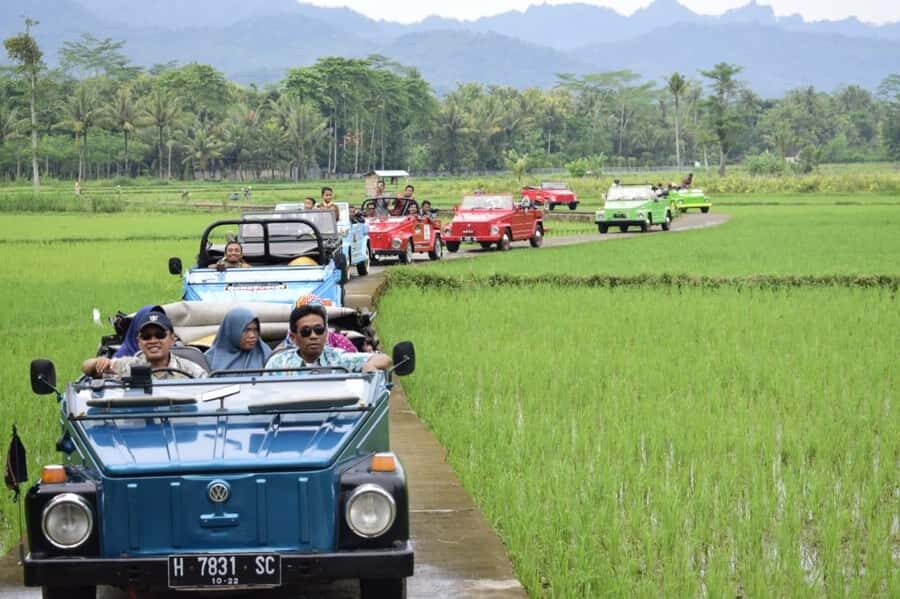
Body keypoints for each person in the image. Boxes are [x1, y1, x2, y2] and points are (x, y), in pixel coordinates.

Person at [82, 311, 207, 380]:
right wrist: (98, 362)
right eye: (146, 337)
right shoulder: (127, 366)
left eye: (160, 335)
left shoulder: (190, 370)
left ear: (172, 339)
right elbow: (86, 369)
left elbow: (209, 396)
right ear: (139, 342)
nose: (153, 340)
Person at [266, 304, 390, 372]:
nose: (313, 336)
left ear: (326, 334)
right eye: (306, 332)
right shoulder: (276, 364)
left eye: (319, 330)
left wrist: (369, 365)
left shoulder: (338, 358)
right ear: (293, 337)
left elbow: (385, 359)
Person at [205, 307, 271, 371]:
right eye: (246, 330)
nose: (252, 335)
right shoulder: (208, 360)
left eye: (255, 330)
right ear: (232, 331)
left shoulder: (266, 355)